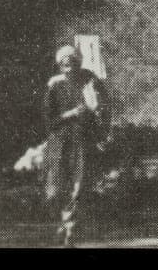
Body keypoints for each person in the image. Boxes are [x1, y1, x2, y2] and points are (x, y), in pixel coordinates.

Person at [43, 44, 109, 247]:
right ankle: (63, 221)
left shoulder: (91, 82)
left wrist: (102, 134)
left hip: (82, 142)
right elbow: (48, 120)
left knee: (79, 187)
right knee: (55, 189)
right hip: (59, 143)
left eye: (72, 63)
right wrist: (70, 114)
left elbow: (105, 111)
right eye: (64, 64)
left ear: (78, 63)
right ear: (59, 66)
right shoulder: (54, 85)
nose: (68, 68)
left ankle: (70, 226)